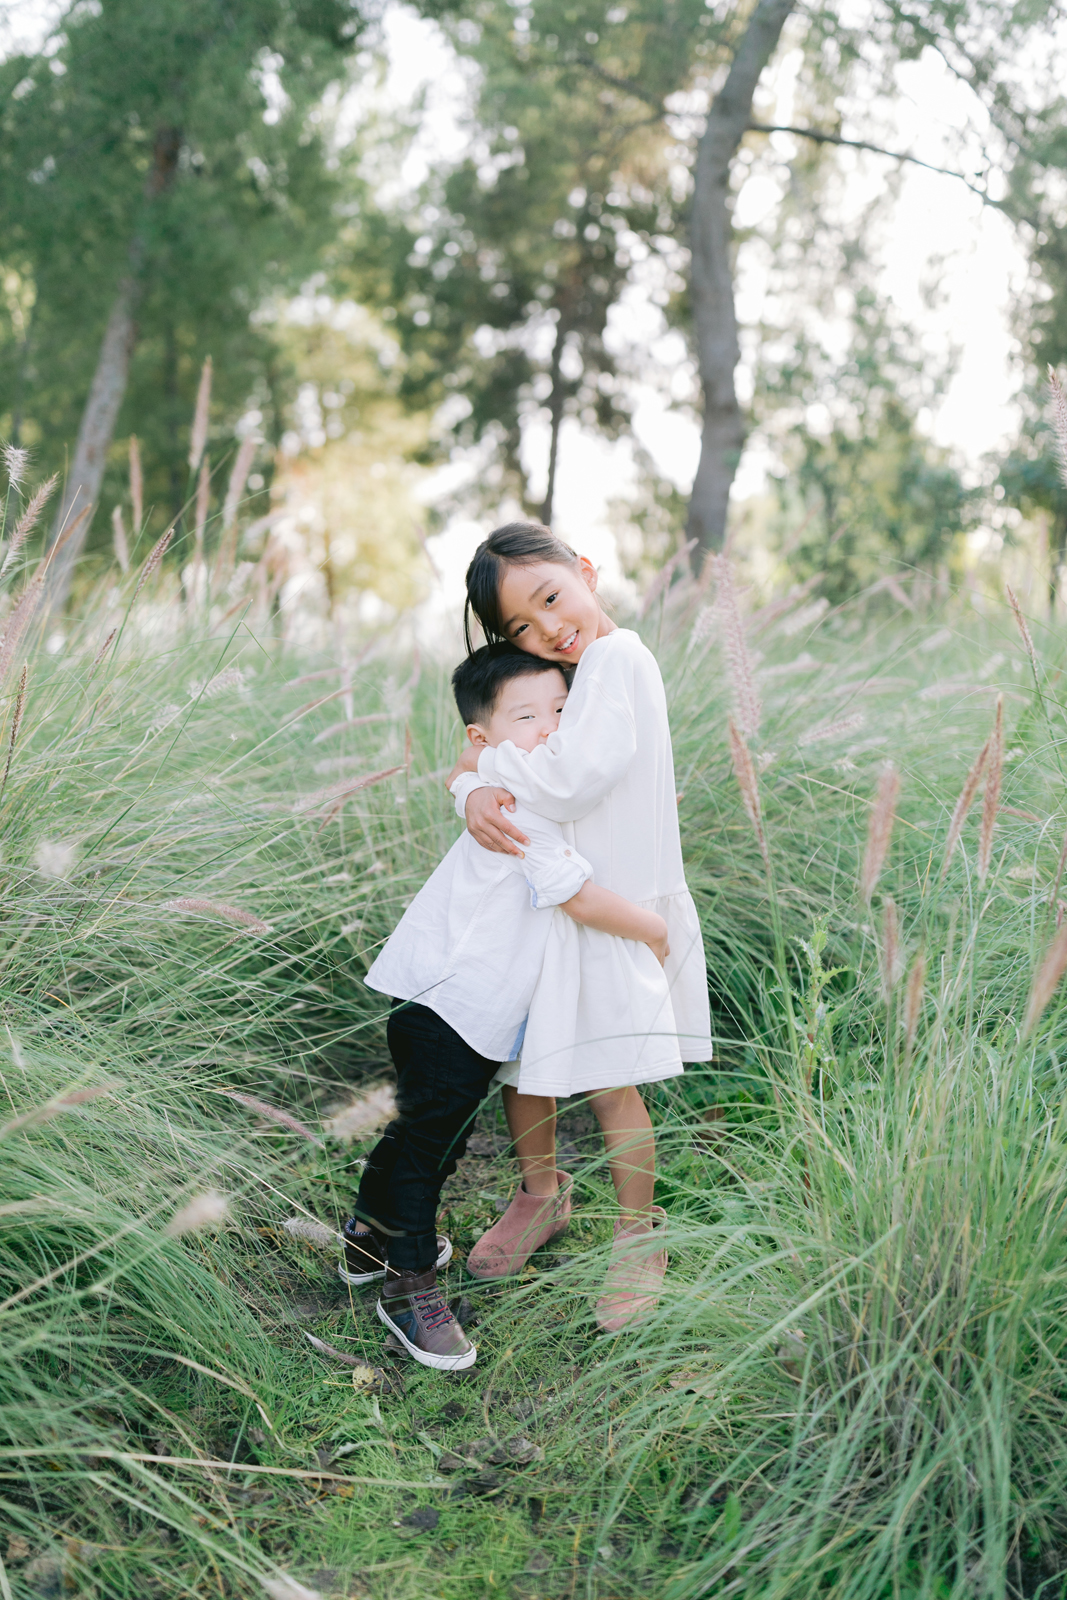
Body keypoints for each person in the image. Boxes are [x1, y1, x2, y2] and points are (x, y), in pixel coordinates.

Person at [340, 645, 675, 1370]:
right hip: (453, 1003)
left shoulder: (513, 776)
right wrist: (654, 929)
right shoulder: (517, 800)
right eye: (528, 715)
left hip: (463, 1000)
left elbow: (477, 777)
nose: (551, 728)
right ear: (483, 738)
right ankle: (407, 1286)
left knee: (428, 1132)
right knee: (429, 1142)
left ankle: (367, 1237)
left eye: (562, 711)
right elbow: (577, 896)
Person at [448, 521, 712, 1330]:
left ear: (586, 570)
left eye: (552, 598)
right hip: (552, 906)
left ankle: (640, 1234)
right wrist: (467, 785)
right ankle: (540, 1196)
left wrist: (478, 771)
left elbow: (566, 779)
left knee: (609, 1085)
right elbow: (513, 745)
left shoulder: (616, 659)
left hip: (612, 913)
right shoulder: (569, 673)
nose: (546, 630)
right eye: (519, 627)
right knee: (526, 1070)